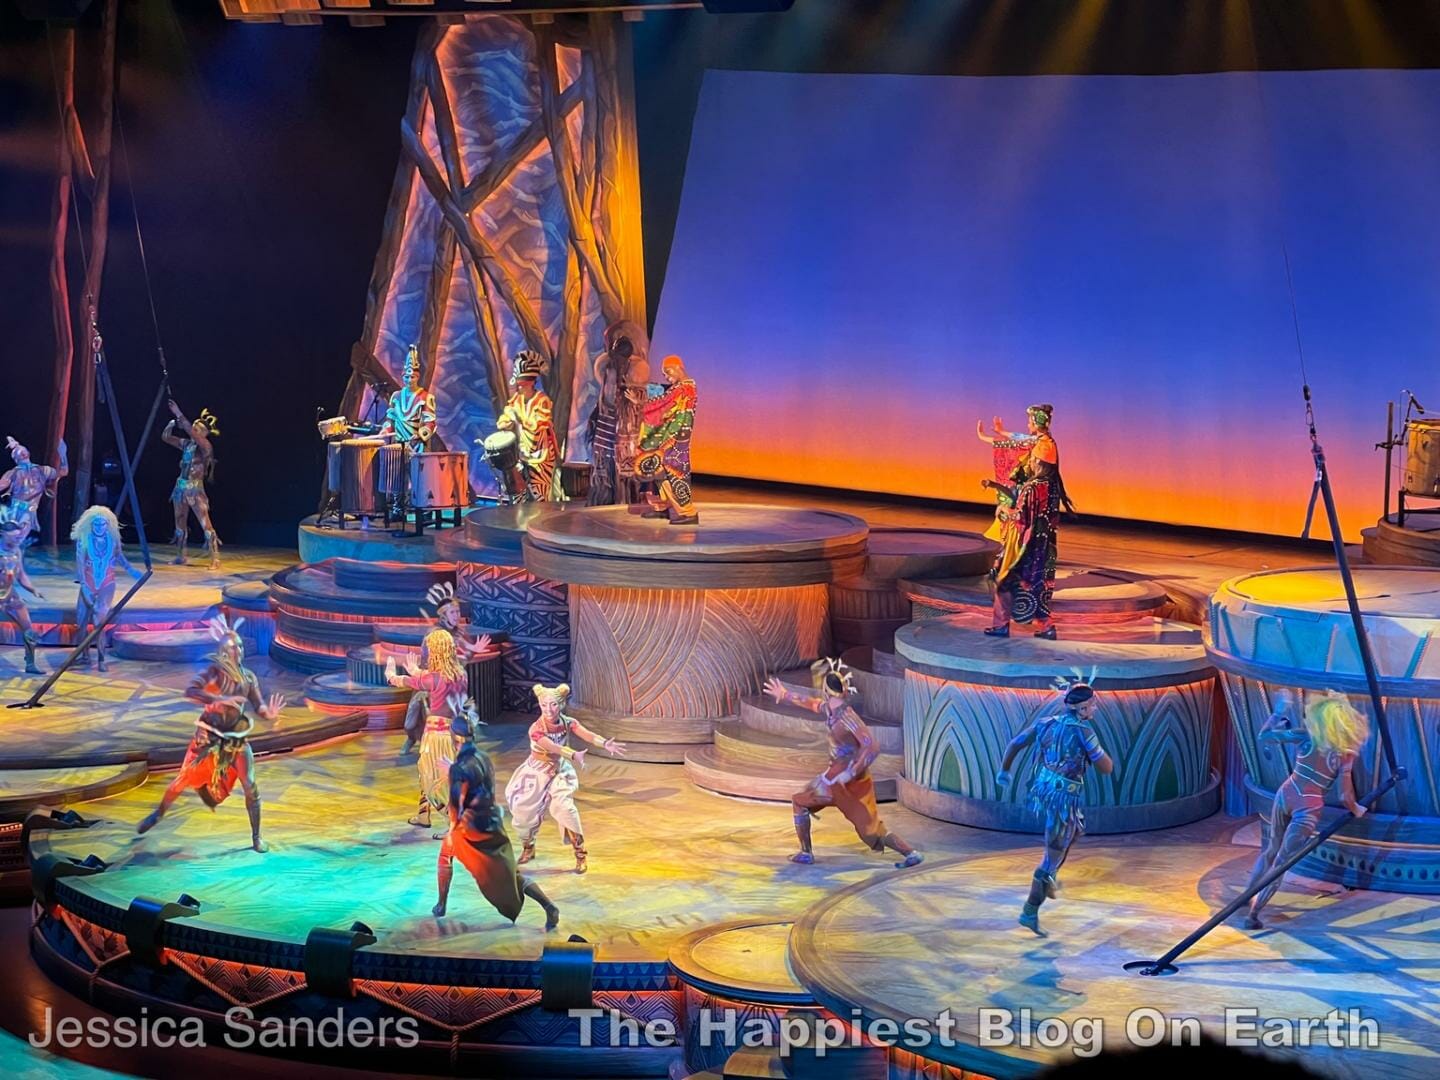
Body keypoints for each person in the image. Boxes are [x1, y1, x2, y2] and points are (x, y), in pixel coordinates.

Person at [137, 615, 284, 852]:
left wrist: (270, 714)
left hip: (235, 739)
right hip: (209, 739)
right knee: (184, 779)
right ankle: (159, 813)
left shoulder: (248, 677)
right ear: (223, 651)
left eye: (240, 646)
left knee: (250, 785)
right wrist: (219, 698)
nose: (238, 651)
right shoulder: (214, 674)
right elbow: (191, 691)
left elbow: (259, 706)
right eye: (233, 647)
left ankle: (256, 837)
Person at [764, 659, 922, 868]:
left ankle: (910, 853)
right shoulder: (831, 709)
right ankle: (805, 852)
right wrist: (785, 694)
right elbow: (812, 703)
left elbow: (872, 746)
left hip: (850, 784)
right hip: (833, 780)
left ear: (826, 692)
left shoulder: (847, 718)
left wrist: (851, 772)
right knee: (800, 801)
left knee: (871, 832)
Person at [1241, 692, 1369, 930]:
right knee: (1282, 863)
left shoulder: (1304, 735)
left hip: (1286, 793)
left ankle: (1245, 897)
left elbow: (1264, 736)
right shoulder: (1345, 753)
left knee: (1270, 850)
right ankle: (1253, 915)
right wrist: (1357, 809)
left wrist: (1277, 713)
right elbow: (1345, 796)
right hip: (1308, 807)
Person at [997, 679, 1114, 937]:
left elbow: (1015, 743)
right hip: (1062, 797)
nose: (1095, 709)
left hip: (1047, 788)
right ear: (1082, 708)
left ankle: (1049, 876)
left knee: (1072, 833)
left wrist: (1004, 770)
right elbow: (1106, 768)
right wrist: (1098, 753)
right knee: (1051, 857)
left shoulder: (1046, 723)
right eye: (1093, 705)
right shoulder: (1084, 732)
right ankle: (1030, 909)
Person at [432, 709, 562, 930]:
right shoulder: (483, 757)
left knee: (446, 854)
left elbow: (457, 803)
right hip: (492, 823)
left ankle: (441, 904)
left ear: (455, 739)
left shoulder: (460, 768)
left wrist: (452, 774)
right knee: (509, 873)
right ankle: (548, 906)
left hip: (471, 830)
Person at [504, 682, 627, 873]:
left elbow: (587, 734)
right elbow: (553, 747)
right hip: (536, 772)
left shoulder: (568, 722)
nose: (548, 709)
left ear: (561, 704)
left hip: (559, 771)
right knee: (523, 813)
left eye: (553, 704)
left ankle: (580, 854)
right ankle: (528, 846)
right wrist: (573, 754)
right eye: (544, 705)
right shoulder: (536, 729)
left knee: (565, 808)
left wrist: (604, 743)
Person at [978, 405, 1073, 640]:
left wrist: (1004, 512)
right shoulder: (1047, 470)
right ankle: (1045, 626)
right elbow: (1025, 439)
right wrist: (1001, 433)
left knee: (1005, 578)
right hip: (1038, 542)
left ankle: (1003, 625)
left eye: (1030, 421)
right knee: (1032, 581)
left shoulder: (1034, 488)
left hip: (1025, 541)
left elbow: (1020, 516)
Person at [386, 628, 470, 830]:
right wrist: (416, 670)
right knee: (427, 771)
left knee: (435, 779)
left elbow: (408, 681)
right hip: (455, 733)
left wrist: (390, 674)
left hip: (437, 736)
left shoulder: (434, 678)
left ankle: (454, 823)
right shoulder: (461, 674)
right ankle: (423, 814)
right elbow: (429, 679)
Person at [400, 582, 493, 753]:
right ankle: (411, 738)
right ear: (444, 615)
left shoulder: (459, 632)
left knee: (452, 716)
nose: (456, 615)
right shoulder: (434, 634)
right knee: (412, 720)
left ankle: (455, 744)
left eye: (458, 611)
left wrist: (473, 651)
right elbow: (429, 661)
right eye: (452, 612)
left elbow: (462, 659)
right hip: (431, 679)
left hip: (449, 684)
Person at [72, 505, 143, 671]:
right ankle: (84, 656)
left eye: (102, 524)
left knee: (100, 622)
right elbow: (80, 566)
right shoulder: (84, 540)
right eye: (96, 524)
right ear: (90, 524)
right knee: (81, 621)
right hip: (88, 581)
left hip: (106, 582)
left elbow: (120, 557)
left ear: (107, 524)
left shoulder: (113, 540)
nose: (99, 527)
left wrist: (132, 571)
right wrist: (84, 587)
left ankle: (101, 659)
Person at [586, 321, 646, 507]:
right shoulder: (609, 369)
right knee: (605, 463)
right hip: (609, 423)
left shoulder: (636, 372)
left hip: (625, 426)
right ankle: (608, 499)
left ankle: (624, 499)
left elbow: (643, 400)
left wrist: (633, 398)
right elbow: (606, 400)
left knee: (623, 466)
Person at [636, 355, 699, 524]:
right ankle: (663, 506)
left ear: (678, 367)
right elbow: (665, 404)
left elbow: (663, 405)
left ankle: (688, 513)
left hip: (676, 438)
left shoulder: (685, 387)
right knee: (658, 469)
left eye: (668, 371)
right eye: (664, 374)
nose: (666, 376)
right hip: (670, 437)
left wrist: (641, 404)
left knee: (673, 471)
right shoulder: (679, 387)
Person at [162, 399, 222, 569]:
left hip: (195, 489)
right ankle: (181, 556)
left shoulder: (206, 447)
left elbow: (191, 432)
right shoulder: (187, 445)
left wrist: (178, 413)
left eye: (198, 429)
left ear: (204, 433)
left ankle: (215, 558)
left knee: (204, 523)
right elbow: (166, 438)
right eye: (193, 427)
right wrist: (171, 424)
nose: (194, 430)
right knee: (179, 521)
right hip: (180, 487)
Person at [496, 350, 559, 502]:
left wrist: (518, 417)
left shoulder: (542, 400)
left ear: (531, 382)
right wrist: (505, 422)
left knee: (539, 494)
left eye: (522, 385)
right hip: (522, 453)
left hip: (541, 455)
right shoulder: (516, 400)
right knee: (520, 493)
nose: (519, 388)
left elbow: (537, 425)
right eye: (518, 385)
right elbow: (504, 418)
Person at [0, 436, 67, 543]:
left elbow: (63, 472)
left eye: (22, 451)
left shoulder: (42, 470)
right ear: (15, 458)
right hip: (16, 510)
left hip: (29, 510)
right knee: (13, 539)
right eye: (18, 452)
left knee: (18, 539)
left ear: (28, 453)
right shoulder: (13, 473)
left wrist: (63, 455)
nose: (22, 453)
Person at [0, 506, 43, 674]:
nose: (18, 538)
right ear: (3, 534)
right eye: (14, 535)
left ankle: (30, 663)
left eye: (19, 535)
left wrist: (33, 589)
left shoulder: (17, 551)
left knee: (29, 631)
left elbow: (21, 575)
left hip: (10, 595)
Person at [380, 344, 438, 454]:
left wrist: (420, 434)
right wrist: (385, 430)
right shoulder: (396, 396)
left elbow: (430, 423)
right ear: (403, 377)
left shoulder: (425, 397)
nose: (409, 380)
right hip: (397, 445)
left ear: (417, 377)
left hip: (416, 446)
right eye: (407, 377)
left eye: (412, 377)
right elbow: (390, 421)